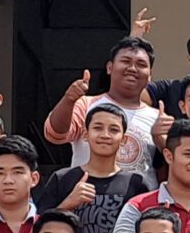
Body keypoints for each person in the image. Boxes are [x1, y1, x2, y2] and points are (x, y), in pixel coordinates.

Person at [32, 101, 151, 233]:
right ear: (86, 135)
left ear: (124, 139)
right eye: (97, 128)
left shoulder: (136, 184)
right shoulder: (63, 178)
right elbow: (37, 228)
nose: (105, 135)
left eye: (113, 130)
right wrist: (68, 204)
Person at [48, 37, 164, 175]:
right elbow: (55, 135)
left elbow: (166, 167)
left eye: (141, 64)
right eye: (125, 61)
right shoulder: (86, 104)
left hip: (140, 195)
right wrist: (68, 99)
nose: (132, 68)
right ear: (110, 67)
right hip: (87, 195)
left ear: (150, 75)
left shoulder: (158, 118)